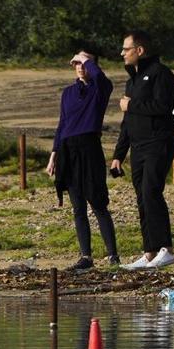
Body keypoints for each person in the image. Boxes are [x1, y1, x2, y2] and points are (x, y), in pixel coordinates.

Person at [111, 29, 174, 269]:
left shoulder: (161, 74)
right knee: (142, 196)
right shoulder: (133, 81)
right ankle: (150, 252)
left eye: (126, 49)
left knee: (151, 191)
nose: (122, 53)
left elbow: (162, 106)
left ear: (139, 50)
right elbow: (127, 122)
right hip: (138, 146)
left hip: (158, 142)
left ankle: (166, 249)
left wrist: (132, 104)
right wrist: (119, 155)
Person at [50, 46, 119, 270]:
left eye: (84, 63)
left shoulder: (100, 88)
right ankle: (86, 257)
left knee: (98, 203)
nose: (80, 67)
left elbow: (99, 76)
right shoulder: (68, 93)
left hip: (89, 148)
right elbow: (62, 124)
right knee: (77, 206)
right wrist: (54, 154)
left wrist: (85, 59)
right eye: (76, 63)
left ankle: (112, 256)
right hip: (68, 150)